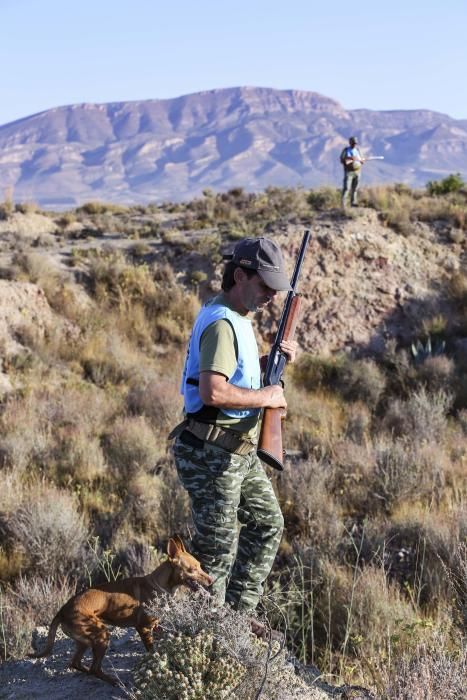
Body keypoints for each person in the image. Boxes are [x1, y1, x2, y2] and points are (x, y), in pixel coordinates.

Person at [169, 237, 298, 631]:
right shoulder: (224, 323)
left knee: (267, 523)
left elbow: (233, 374)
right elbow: (213, 390)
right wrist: (268, 396)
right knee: (217, 554)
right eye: (265, 287)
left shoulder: (236, 316)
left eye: (276, 290)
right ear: (239, 276)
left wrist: (267, 365)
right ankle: (209, 637)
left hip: (234, 452)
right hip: (213, 453)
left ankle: (236, 621)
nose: (272, 297)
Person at [341, 136, 365, 208]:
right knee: (347, 188)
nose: (354, 145)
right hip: (349, 172)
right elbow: (342, 160)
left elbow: (362, 160)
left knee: (355, 188)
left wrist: (361, 161)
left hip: (357, 171)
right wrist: (350, 158)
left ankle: (353, 203)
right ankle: (344, 204)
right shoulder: (346, 150)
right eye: (353, 143)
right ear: (350, 143)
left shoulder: (358, 151)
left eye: (355, 143)